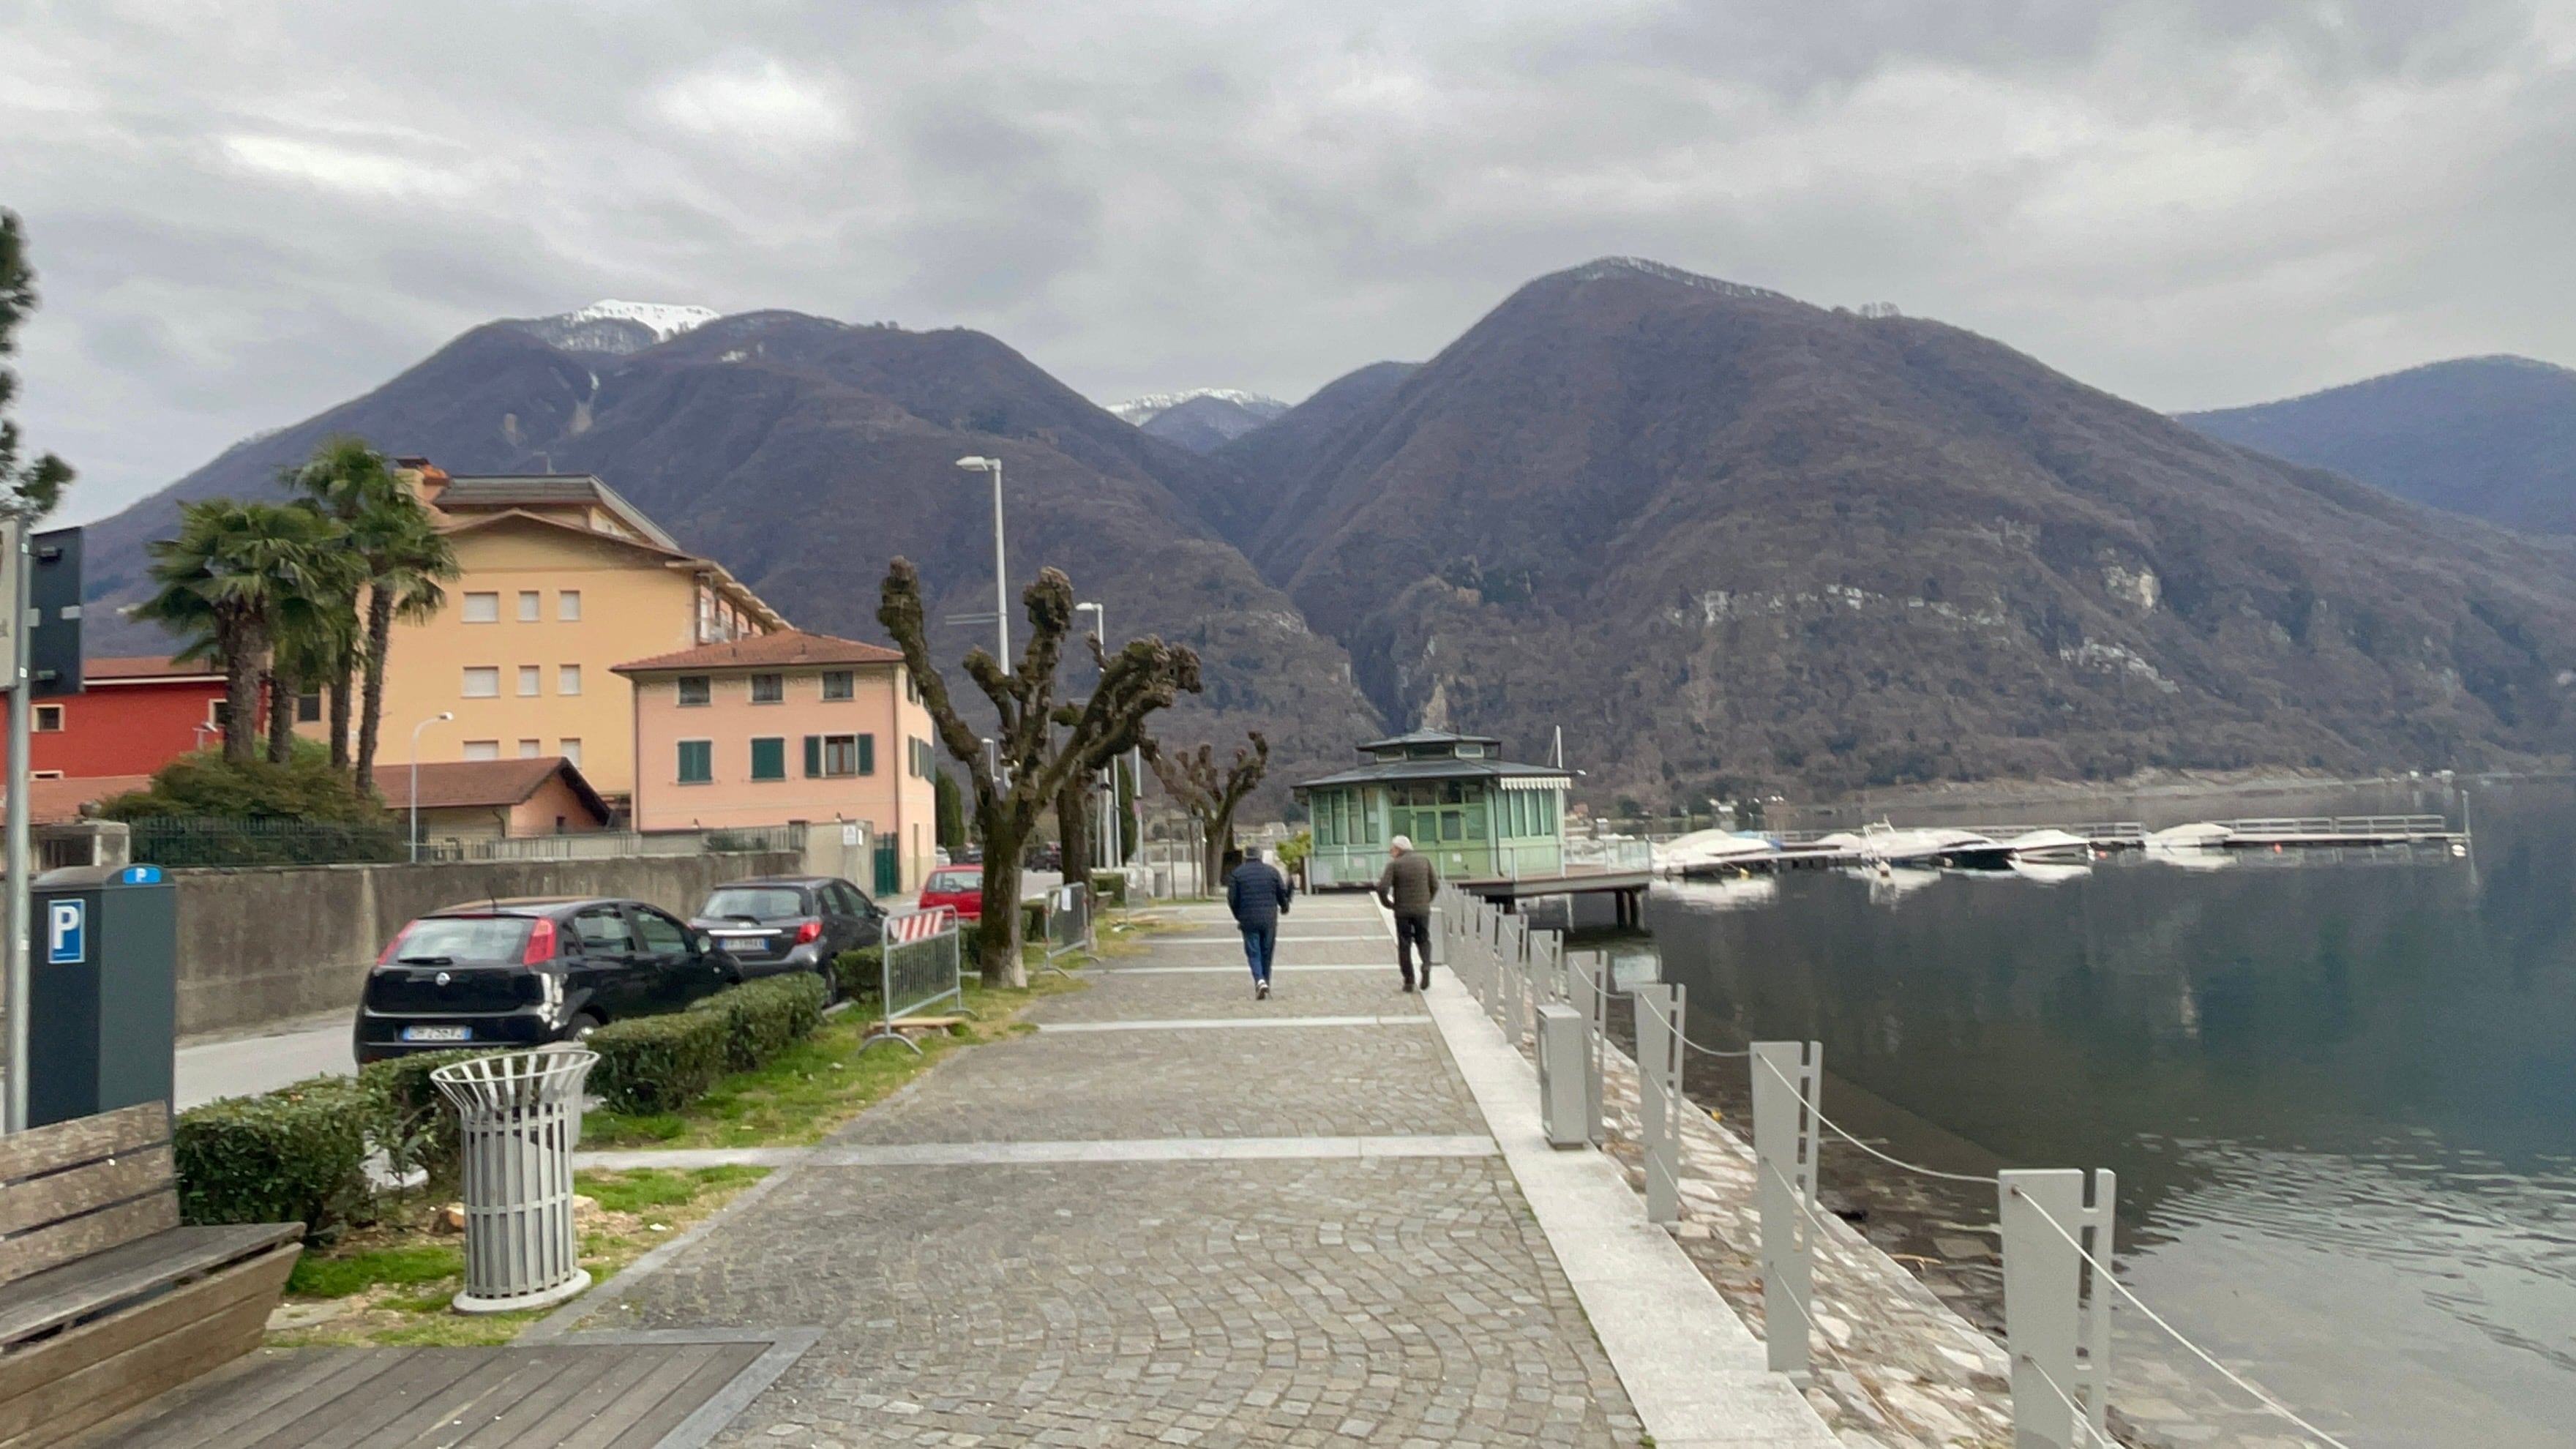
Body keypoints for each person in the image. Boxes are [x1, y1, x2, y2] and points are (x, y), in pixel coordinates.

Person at [1226, 846, 1292, 999]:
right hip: (1269, 919)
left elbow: (1232, 899)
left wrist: (1239, 915)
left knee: (1253, 952)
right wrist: (1284, 907)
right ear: (1260, 856)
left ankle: (1260, 980)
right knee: (1266, 952)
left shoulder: (1237, 874)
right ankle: (1266, 982)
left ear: (1245, 857)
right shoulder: (1272, 872)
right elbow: (1281, 894)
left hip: (1248, 919)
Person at [1376, 835, 1439, 992]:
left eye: (1392, 849)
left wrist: (1388, 904)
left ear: (1399, 849)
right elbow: (1435, 884)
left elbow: (1382, 888)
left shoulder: (1394, 865)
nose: (1390, 852)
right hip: (1422, 910)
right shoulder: (1424, 861)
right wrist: (1427, 900)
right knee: (1423, 940)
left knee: (1405, 945)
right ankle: (1426, 965)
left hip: (1403, 911)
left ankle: (1409, 981)